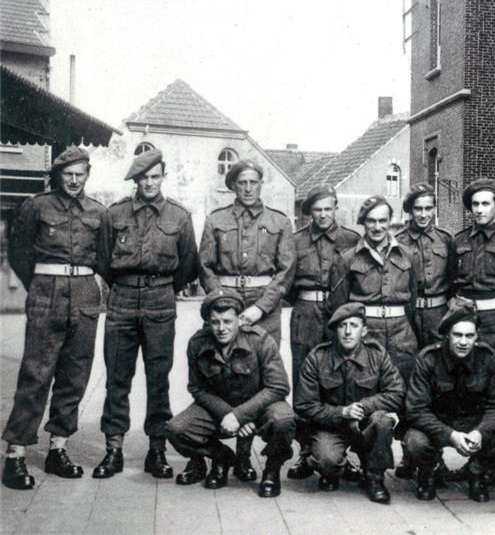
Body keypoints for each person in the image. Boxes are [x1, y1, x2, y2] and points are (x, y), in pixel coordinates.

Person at [2, 147, 106, 490]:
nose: (74, 181)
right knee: (36, 372)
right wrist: (43, 286)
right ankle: (15, 454)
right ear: (57, 175)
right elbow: (18, 252)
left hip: (86, 295)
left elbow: (103, 258)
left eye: (80, 174)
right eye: (68, 174)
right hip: (47, 291)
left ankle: (58, 448)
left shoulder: (98, 212)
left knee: (75, 375)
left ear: (87, 175)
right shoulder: (36, 206)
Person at [93, 149, 199, 479]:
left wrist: (161, 286)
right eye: (144, 178)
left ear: (163, 176)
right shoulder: (115, 213)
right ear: (136, 181)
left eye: (155, 176)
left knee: (158, 379)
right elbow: (103, 259)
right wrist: (127, 283)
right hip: (122, 298)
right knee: (117, 378)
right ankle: (113, 449)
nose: (149, 183)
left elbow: (188, 265)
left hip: (160, 300)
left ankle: (157, 451)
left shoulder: (179, 216)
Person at [165, 289, 294, 497]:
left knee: (283, 420)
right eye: (215, 322)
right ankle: (221, 457)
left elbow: (278, 387)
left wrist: (240, 415)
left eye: (227, 321)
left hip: (259, 407)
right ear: (208, 322)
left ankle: (272, 470)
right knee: (176, 429)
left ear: (239, 320)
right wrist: (228, 414)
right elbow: (196, 387)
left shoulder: (260, 340)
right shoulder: (198, 343)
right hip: (219, 409)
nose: (221, 329)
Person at [327, 195, 419, 478]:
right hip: (368, 332)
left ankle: (409, 455)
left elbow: (413, 300)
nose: (378, 227)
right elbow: (340, 306)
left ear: (390, 222)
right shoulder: (348, 258)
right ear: (363, 223)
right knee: (368, 394)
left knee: (403, 395)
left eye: (383, 220)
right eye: (371, 221)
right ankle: (367, 458)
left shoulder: (407, 255)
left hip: (401, 332)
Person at [405, 298, 495, 502]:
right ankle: (430, 471)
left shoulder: (487, 357)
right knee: (415, 442)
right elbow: (416, 410)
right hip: (438, 424)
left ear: (477, 336)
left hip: (474, 424)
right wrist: (450, 435)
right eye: (457, 335)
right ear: (447, 335)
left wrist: (480, 432)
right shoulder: (428, 358)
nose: (463, 342)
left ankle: (477, 471)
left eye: (469, 335)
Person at [294, 302, 405, 504]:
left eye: (353, 326)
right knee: (326, 461)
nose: (347, 332)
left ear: (364, 331)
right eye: (342, 326)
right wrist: (342, 412)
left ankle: (374, 479)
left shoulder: (377, 355)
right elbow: (304, 404)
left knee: (382, 421)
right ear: (335, 330)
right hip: (331, 426)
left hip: (365, 424)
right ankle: (339, 467)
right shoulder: (318, 357)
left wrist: (363, 407)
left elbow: (397, 393)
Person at [286, 185, 360, 480]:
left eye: (328, 208)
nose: (323, 215)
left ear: (336, 207)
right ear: (310, 213)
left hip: (340, 315)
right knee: (305, 382)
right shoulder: (296, 241)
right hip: (305, 313)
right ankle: (306, 452)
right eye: (317, 210)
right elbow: (288, 283)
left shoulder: (351, 239)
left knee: (341, 381)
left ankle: (344, 453)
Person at [199, 158, 295, 344]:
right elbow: (205, 267)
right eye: (243, 183)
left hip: (264, 301)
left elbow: (286, 272)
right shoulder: (216, 220)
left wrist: (261, 307)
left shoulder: (279, 222)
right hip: (224, 298)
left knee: (266, 361)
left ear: (261, 184)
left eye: (253, 182)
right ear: (234, 185)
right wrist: (221, 301)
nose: (248, 189)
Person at [452, 179, 495, 406]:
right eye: (475, 204)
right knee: (462, 377)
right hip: (464, 318)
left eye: (485, 204)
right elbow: (451, 282)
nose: (480, 210)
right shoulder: (459, 240)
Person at [395, 183, 455, 349]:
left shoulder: (446, 239)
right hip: (408, 315)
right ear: (409, 210)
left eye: (428, 208)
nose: (423, 214)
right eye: (418, 209)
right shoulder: (397, 241)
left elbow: (453, 278)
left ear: (434, 209)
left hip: (438, 315)